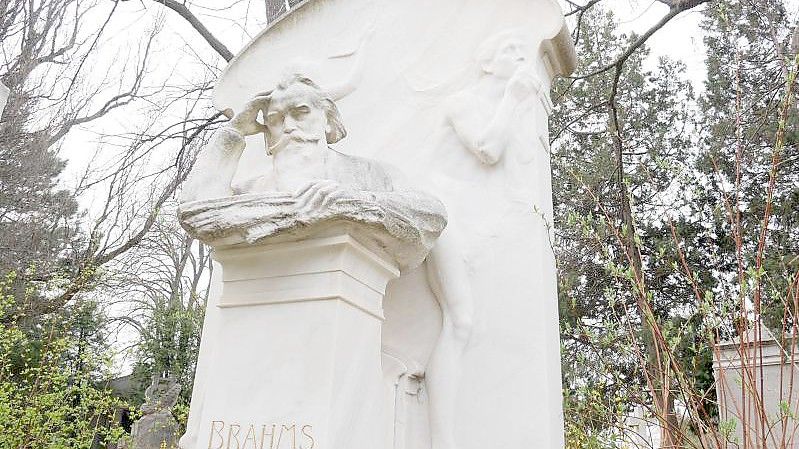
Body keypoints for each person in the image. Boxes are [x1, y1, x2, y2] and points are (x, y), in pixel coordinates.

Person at [424, 29, 542, 449]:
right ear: (488, 63)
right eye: (510, 49)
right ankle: (442, 440)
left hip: (473, 218)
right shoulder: (463, 102)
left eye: (522, 49)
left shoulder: (508, 109)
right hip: (442, 209)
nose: (521, 55)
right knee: (462, 320)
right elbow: (487, 149)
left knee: (471, 326)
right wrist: (513, 97)